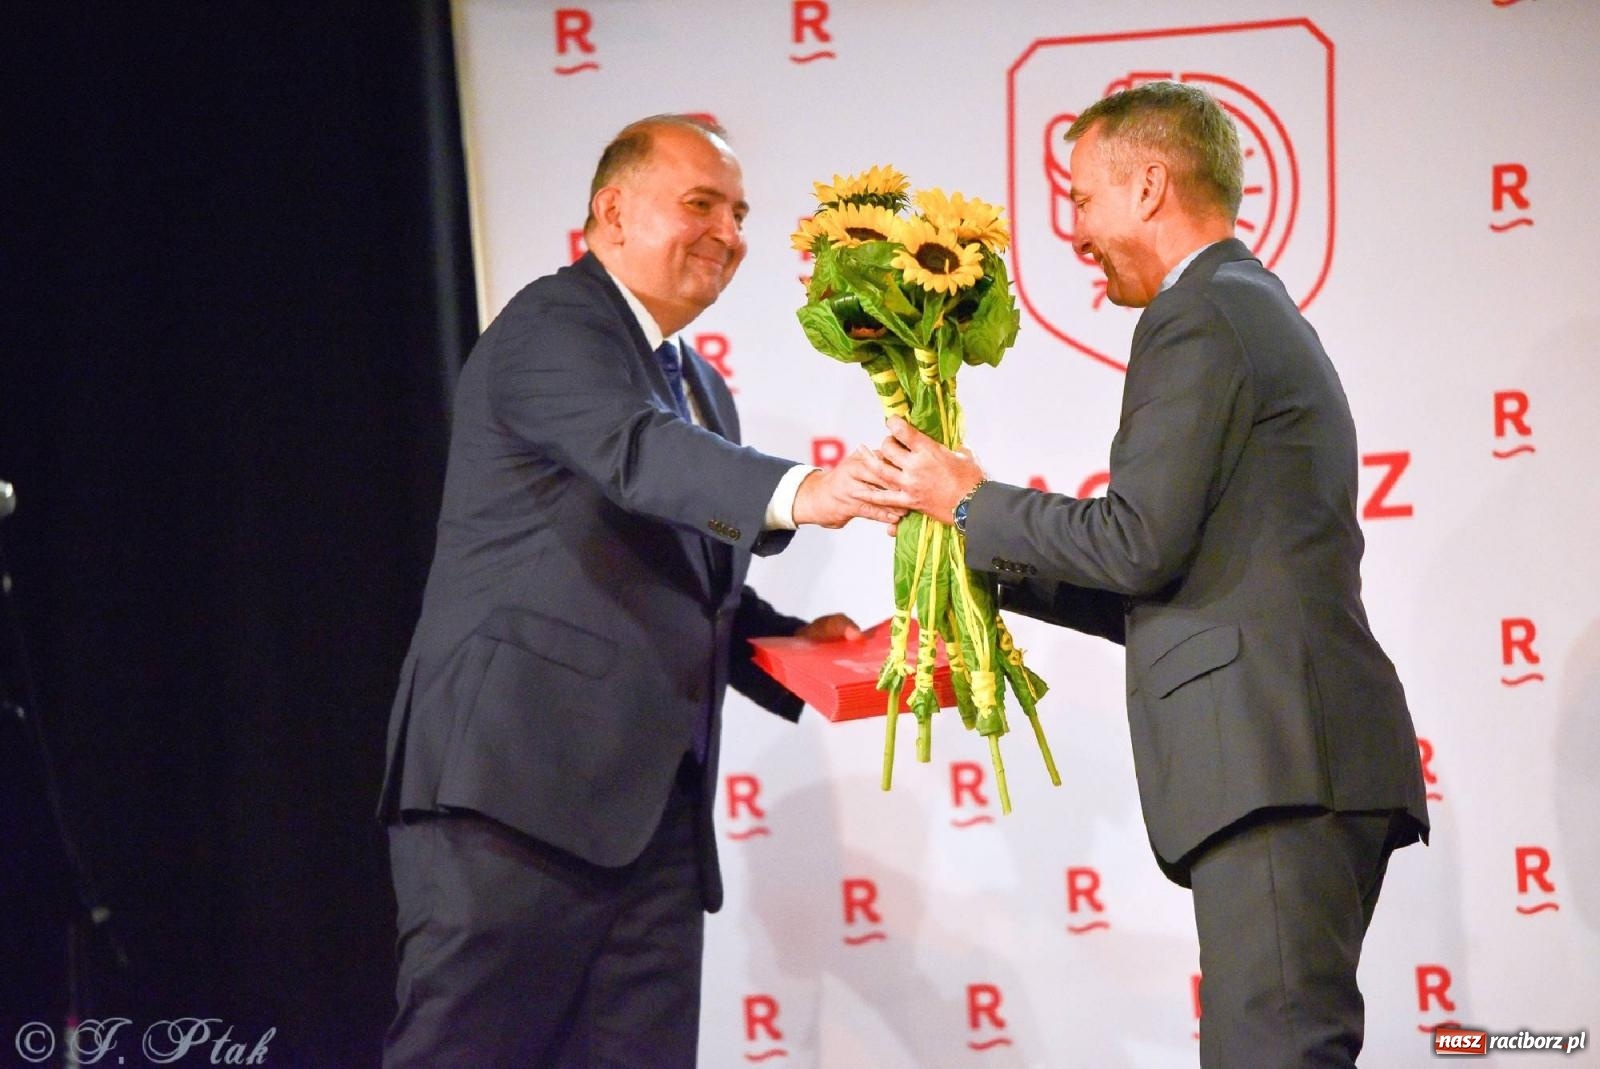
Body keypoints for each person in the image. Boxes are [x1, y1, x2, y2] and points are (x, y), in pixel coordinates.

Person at [863, 82, 1429, 1067]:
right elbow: (1172, 576)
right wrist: (972, 557)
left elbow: (1134, 542)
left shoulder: (1200, 313)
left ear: (1150, 185)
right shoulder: (1239, 305)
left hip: (1279, 760)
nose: (1073, 230)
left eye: (1082, 198)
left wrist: (968, 498)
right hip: (1290, 757)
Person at [376, 114, 896, 1067]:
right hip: (514, 791)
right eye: (701, 203)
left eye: (739, 213)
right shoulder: (552, 322)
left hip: (653, 822)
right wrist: (805, 490)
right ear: (612, 213)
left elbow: (685, 585)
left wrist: (806, 654)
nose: (730, 232)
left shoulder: (701, 384)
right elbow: (635, 455)